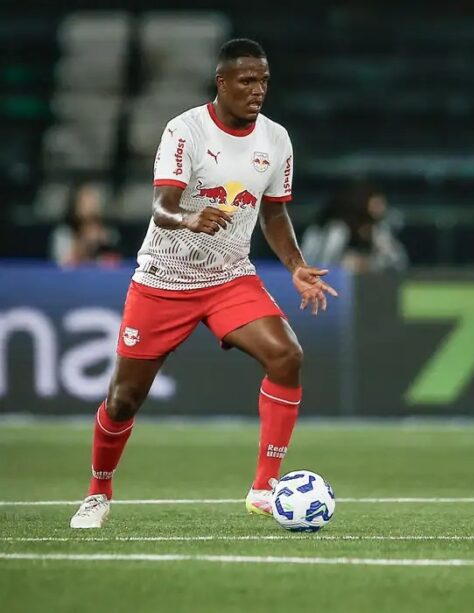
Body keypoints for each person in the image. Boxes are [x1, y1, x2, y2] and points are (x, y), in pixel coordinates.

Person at [68, 39, 338, 529]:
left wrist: (296, 264)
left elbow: (274, 213)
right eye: (247, 81)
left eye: (264, 81)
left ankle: (263, 487)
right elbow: (160, 206)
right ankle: (98, 491)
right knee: (123, 399)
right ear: (222, 82)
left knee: (287, 355)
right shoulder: (185, 129)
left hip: (229, 277)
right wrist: (190, 218)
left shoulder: (276, 139)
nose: (258, 91)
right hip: (163, 278)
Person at [300, 182, 407, 272]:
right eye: (376, 203)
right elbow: (320, 264)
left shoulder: (378, 230)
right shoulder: (336, 229)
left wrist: (369, 263)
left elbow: (399, 263)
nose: (381, 207)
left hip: (367, 287)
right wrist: (346, 264)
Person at [50, 182, 122, 268]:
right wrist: (84, 243)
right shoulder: (64, 233)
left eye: (93, 200)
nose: (90, 205)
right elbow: (63, 266)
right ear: (75, 204)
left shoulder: (109, 233)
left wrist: (103, 243)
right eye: (85, 201)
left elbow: (115, 266)